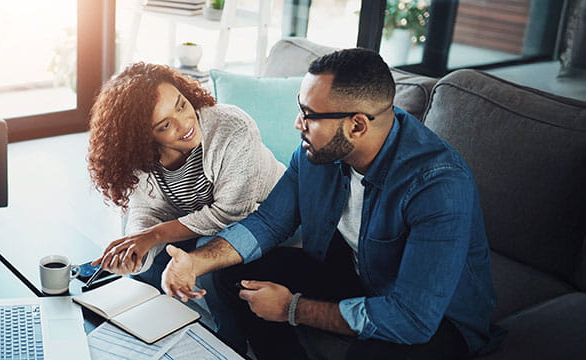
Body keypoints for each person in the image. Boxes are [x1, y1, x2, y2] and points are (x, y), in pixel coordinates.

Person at [160, 48, 504, 359]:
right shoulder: (318, 153)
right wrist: (194, 262)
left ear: (356, 125)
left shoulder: (438, 185)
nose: (298, 124)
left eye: (309, 115)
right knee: (233, 274)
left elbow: (413, 318)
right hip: (357, 276)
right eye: (300, 108)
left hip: (435, 316)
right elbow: (269, 223)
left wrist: (291, 309)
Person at [86, 62, 285, 351]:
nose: (185, 124)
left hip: (263, 221)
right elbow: (147, 211)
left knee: (206, 258)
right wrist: (136, 248)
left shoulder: (232, 129)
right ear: (144, 138)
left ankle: (230, 347)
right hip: (199, 219)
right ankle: (155, 343)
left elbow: (232, 213)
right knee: (148, 268)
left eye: (181, 105)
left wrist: (153, 236)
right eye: (165, 125)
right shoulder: (142, 156)